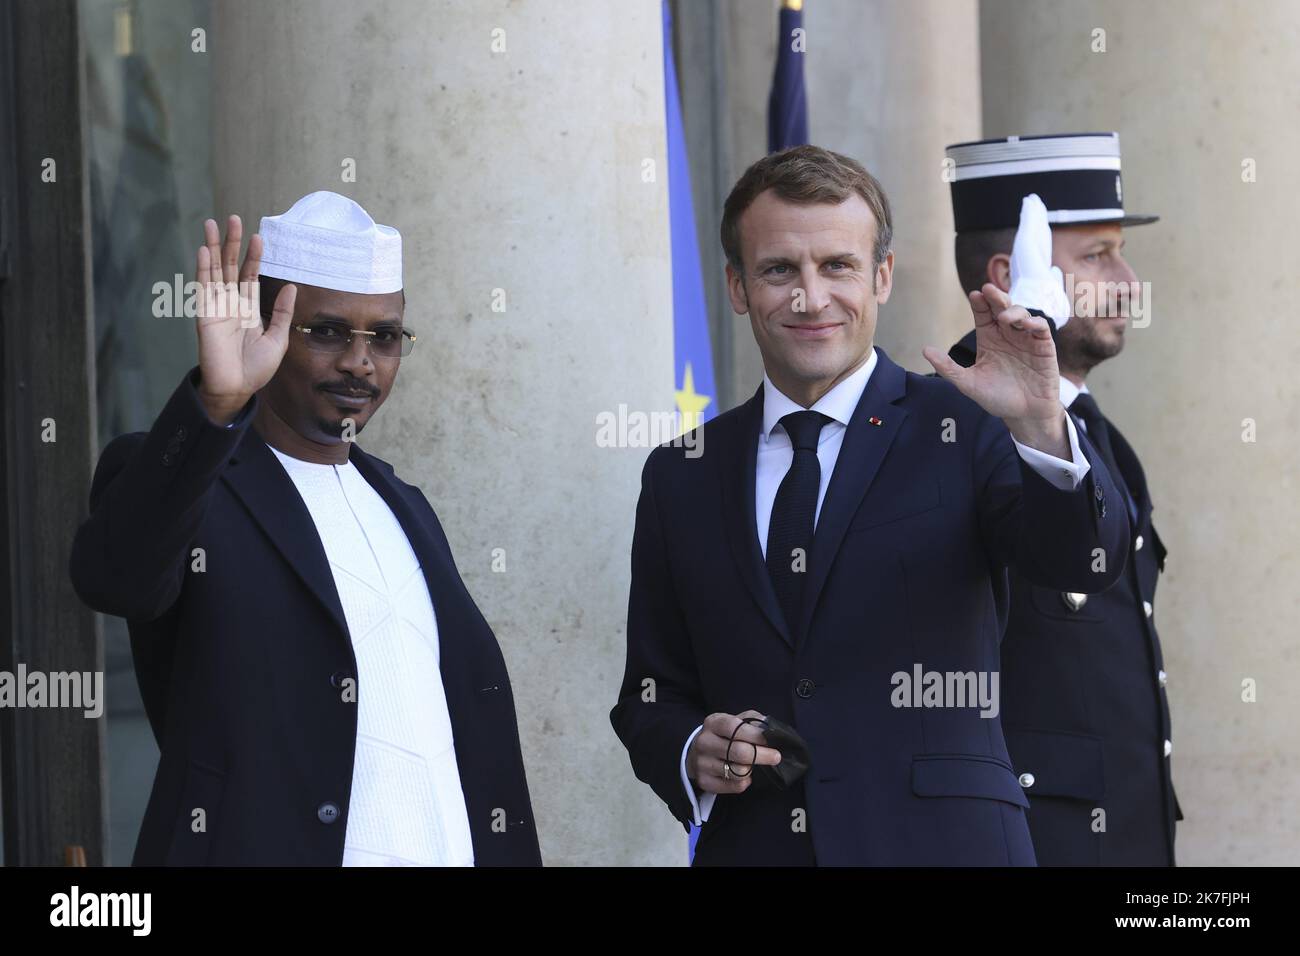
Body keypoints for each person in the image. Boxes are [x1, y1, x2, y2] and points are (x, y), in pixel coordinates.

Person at [610, 145, 1128, 865]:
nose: (810, 298)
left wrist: (1040, 424)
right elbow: (650, 692)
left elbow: (1083, 560)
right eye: (778, 270)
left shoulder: (969, 423)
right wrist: (694, 746)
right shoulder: (681, 473)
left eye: (838, 266)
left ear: (881, 276)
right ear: (736, 286)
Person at [69, 191, 541, 866]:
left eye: (383, 336)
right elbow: (115, 576)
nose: (360, 360)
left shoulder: (404, 505)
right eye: (326, 331)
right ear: (265, 331)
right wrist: (216, 404)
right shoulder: (191, 479)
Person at [944, 132, 1181, 865]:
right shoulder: (951, 430)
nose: (1128, 280)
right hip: (1034, 841)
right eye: (1096, 254)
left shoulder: (1096, 434)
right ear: (1012, 273)